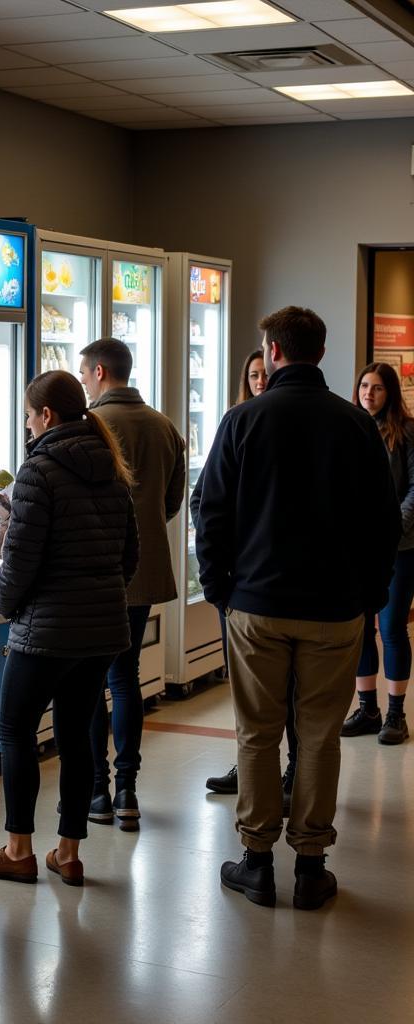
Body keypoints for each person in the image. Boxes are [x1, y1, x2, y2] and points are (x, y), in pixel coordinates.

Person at [196, 306, 398, 911]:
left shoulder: (241, 422)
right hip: (336, 611)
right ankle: (311, 866)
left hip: (255, 607)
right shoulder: (356, 426)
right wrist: (372, 595)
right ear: (320, 352)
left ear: (274, 351)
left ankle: (256, 863)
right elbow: (384, 524)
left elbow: (212, 514)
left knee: (256, 736)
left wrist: (220, 592)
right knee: (319, 737)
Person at [0, 371, 138, 887]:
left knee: (15, 730)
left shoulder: (38, 470)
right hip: (102, 628)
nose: (25, 425)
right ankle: (68, 851)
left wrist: (2, 604)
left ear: (45, 416)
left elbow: (21, 558)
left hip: (46, 630)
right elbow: (129, 556)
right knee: (77, 734)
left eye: (26, 415)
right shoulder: (111, 467)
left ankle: (19, 849)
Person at [78, 338, 185, 831]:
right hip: (143, 570)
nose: (81, 381)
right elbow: (171, 502)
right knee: (126, 679)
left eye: (83, 373)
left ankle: (96, 790)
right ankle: (127, 791)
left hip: (95, 571)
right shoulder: (165, 426)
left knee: (92, 682)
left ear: (100, 372)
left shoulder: (91, 425)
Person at [203, 349, 298, 806]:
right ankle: (252, 767)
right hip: (242, 586)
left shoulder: (278, 424)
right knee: (250, 699)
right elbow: (206, 499)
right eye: (253, 374)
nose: (260, 380)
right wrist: (216, 586)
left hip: (261, 588)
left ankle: (293, 770)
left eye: (266, 372)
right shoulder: (236, 422)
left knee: (293, 696)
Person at [343, 362, 414, 745]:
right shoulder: (349, 429)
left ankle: (396, 714)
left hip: (400, 548)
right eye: (364, 386)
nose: (369, 393)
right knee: (360, 630)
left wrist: (391, 529)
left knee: (391, 628)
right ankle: (367, 708)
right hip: (358, 551)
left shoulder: (407, 432)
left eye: (378, 388)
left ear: (391, 394)